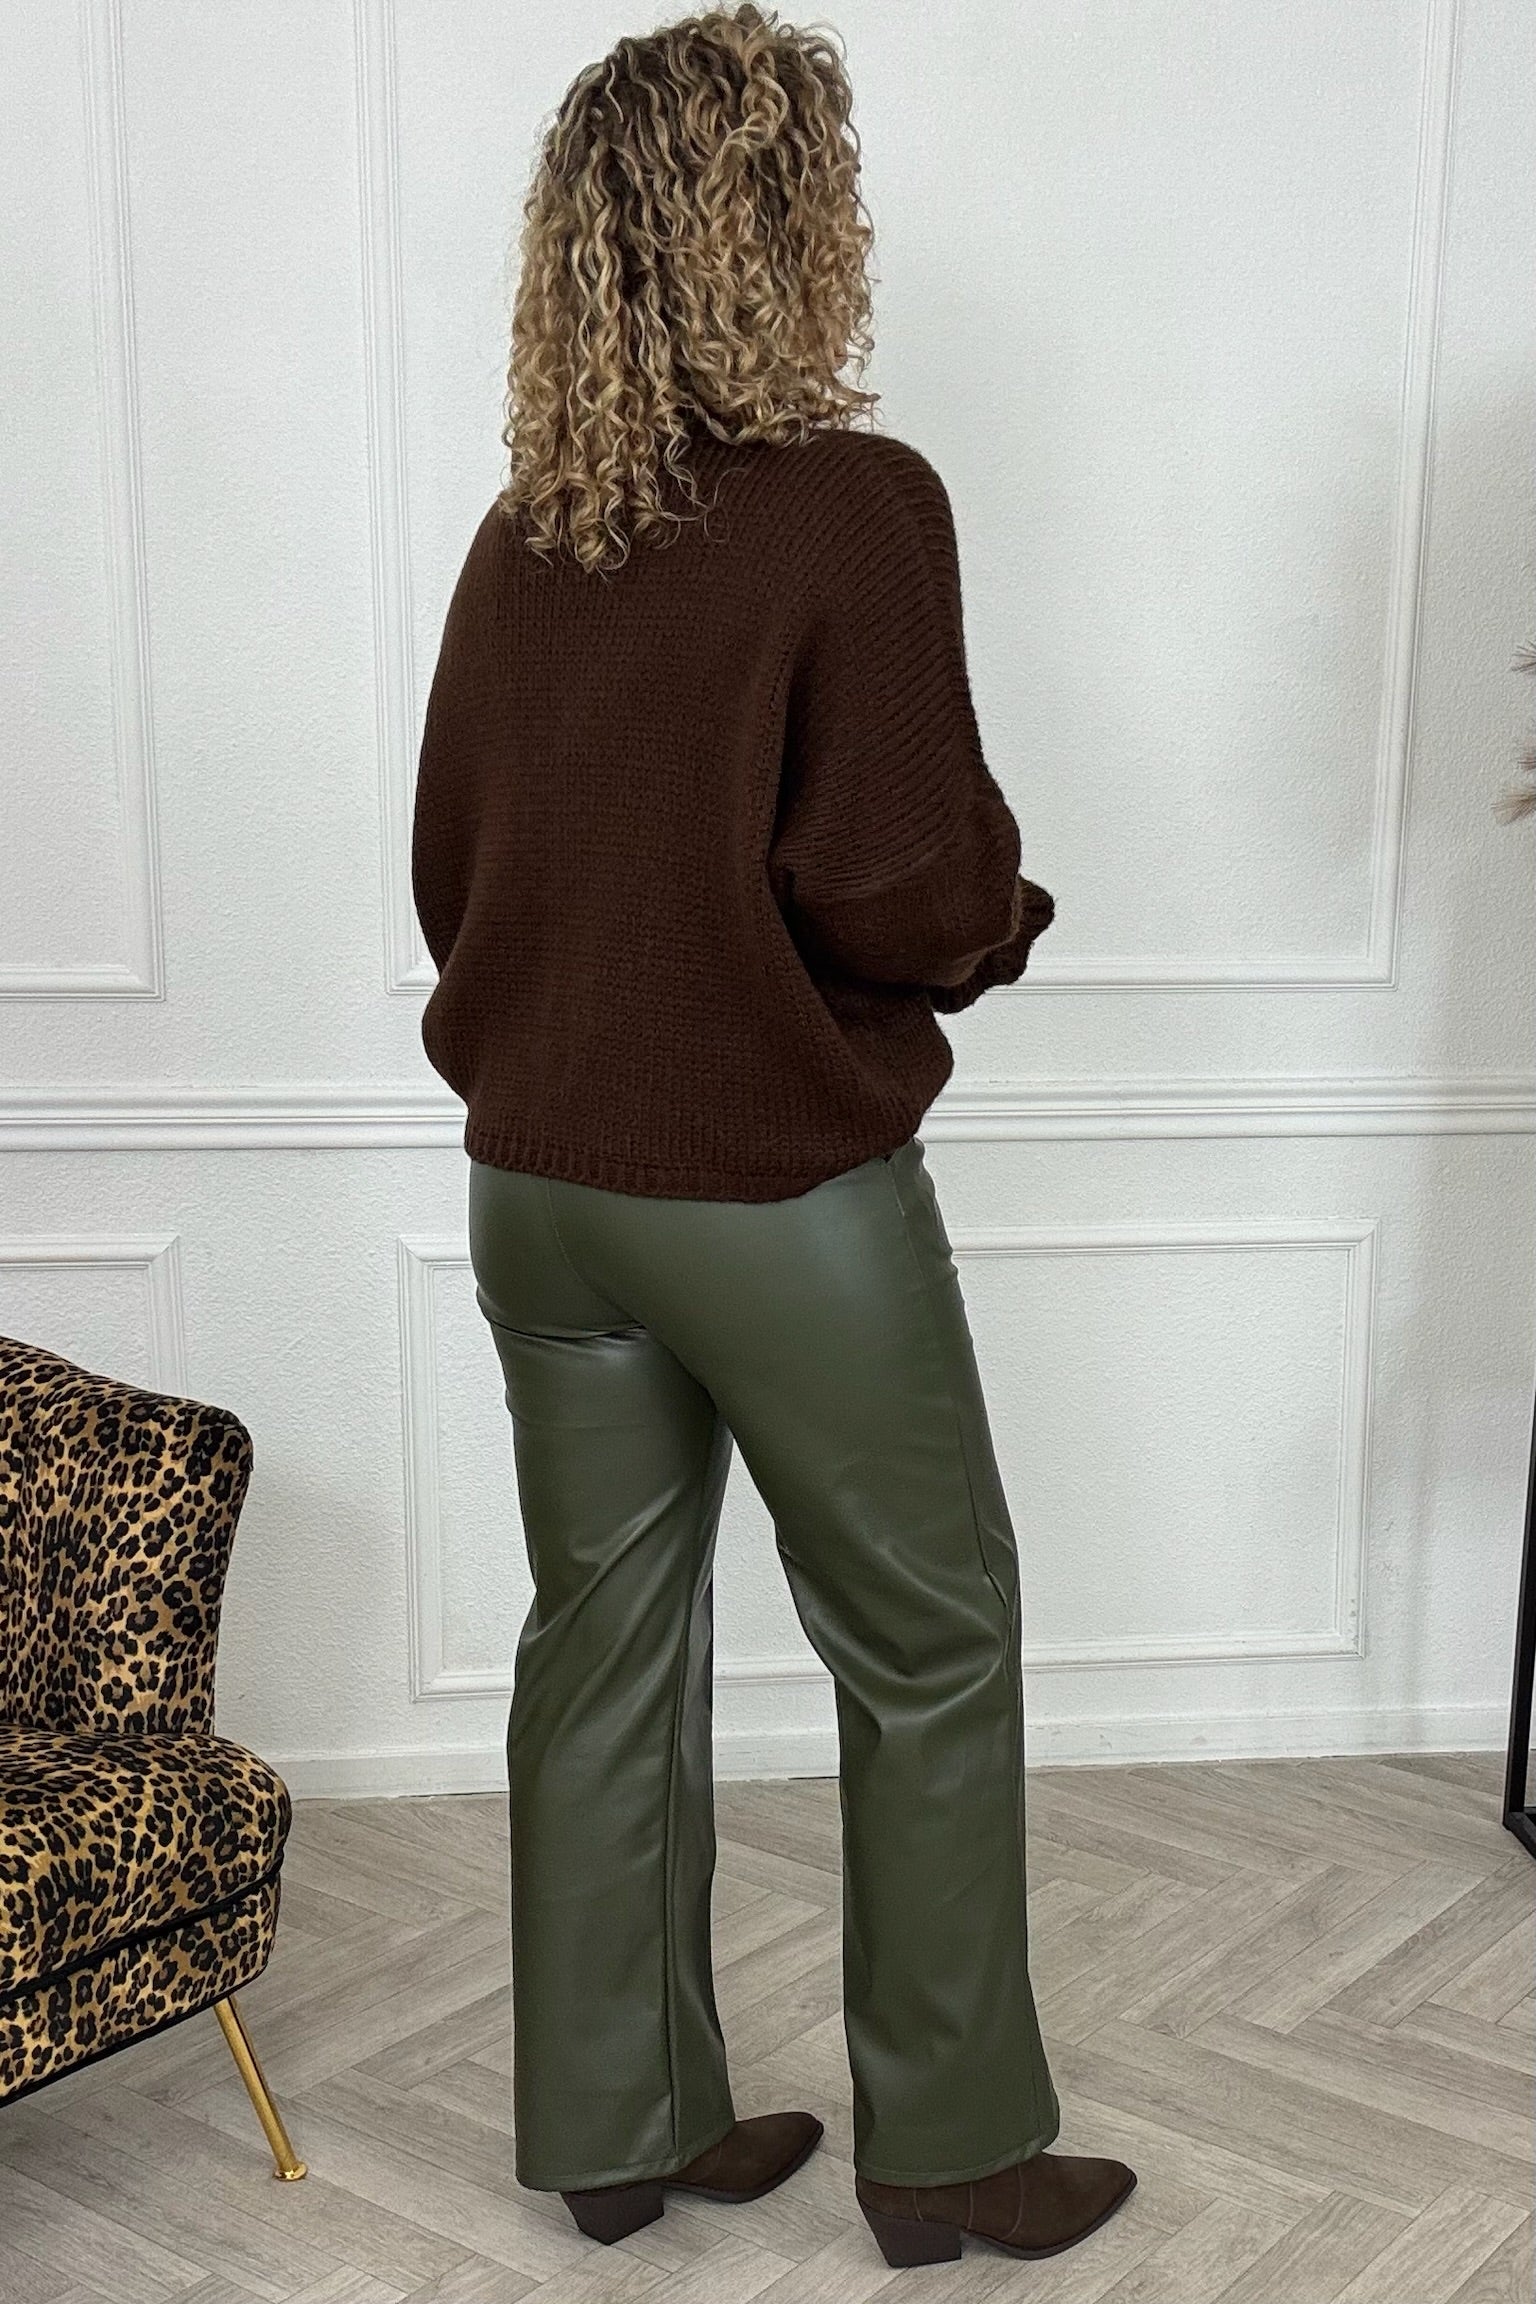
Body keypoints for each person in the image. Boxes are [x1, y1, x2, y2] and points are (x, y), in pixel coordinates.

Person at [409, 0, 1137, 2270]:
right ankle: (951, 2154)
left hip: (537, 1189)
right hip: (764, 1190)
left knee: (599, 1649)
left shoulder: (528, 534)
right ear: (786, 227)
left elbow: (453, 873)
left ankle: (618, 2126)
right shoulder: (855, 505)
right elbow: (900, 883)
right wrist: (1000, 919)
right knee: (931, 1642)